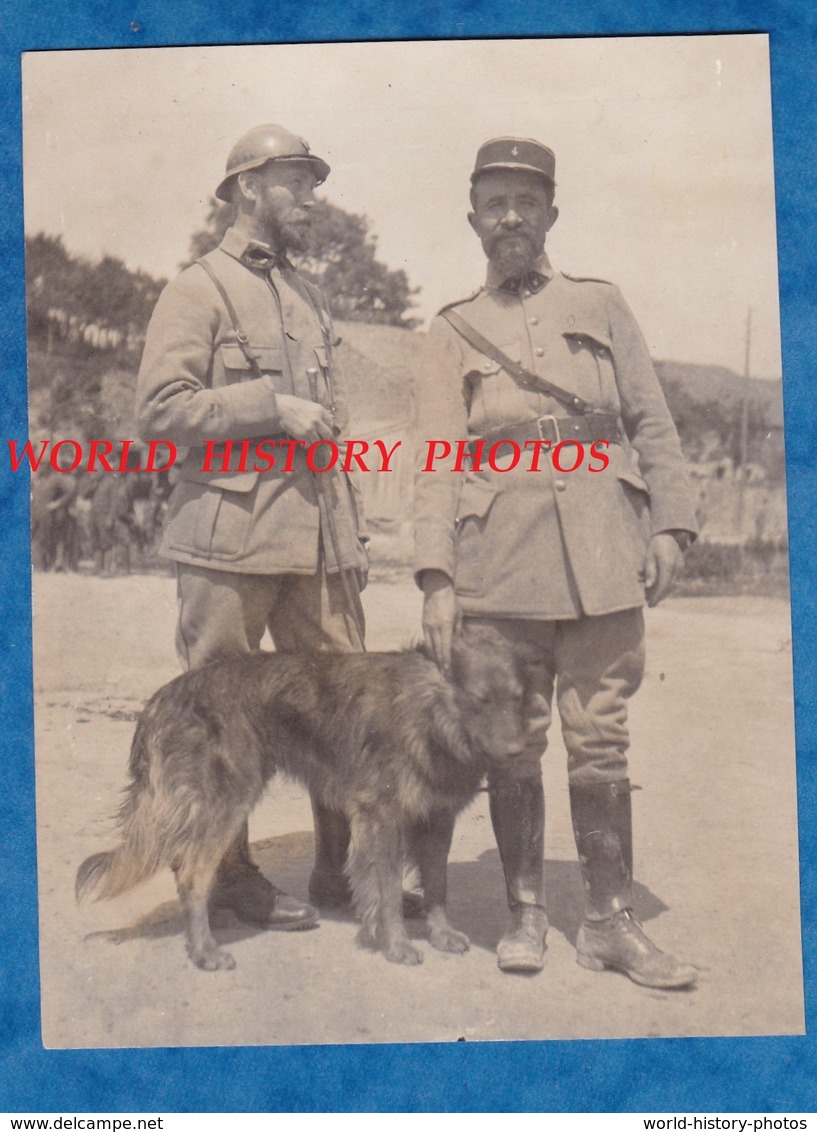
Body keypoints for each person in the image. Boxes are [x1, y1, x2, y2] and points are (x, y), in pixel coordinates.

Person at [413, 136, 698, 986]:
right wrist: (434, 578)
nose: (511, 216)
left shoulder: (601, 304)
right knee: (511, 745)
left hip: (605, 554)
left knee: (600, 742)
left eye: (525, 202)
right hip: (497, 567)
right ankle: (525, 912)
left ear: (550, 214)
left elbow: (650, 421)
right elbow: (435, 458)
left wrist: (670, 527)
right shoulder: (450, 330)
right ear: (473, 220)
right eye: (494, 202)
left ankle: (608, 922)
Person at [136, 124, 369, 932]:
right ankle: (230, 878)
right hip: (228, 536)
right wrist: (266, 406)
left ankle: (341, 873)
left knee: (346, 700)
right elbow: (160, 414)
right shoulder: (197, 288)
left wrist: (354, 534)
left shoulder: (309, 296)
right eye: (295, 182)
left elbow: (330, 426)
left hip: (320, 541)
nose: (310, 197)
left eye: (312, 182)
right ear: (245, 188)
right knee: (222, 710)